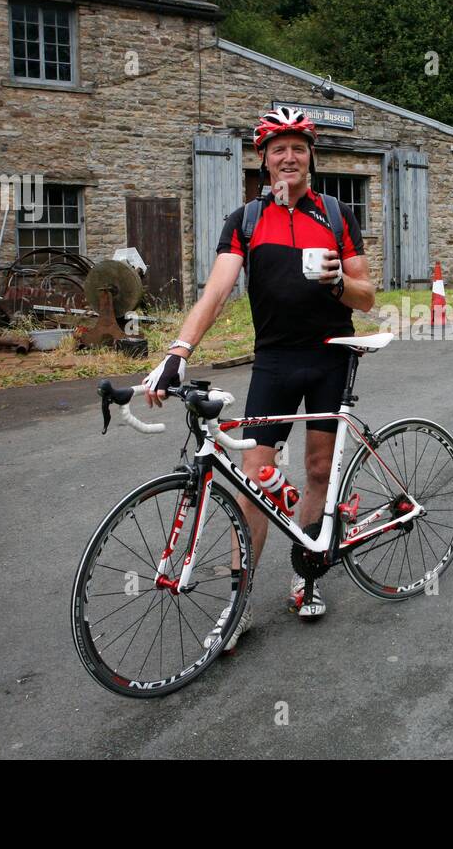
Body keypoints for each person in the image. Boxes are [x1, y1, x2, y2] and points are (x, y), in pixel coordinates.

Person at [140, 106, 374, 650]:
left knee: (318, 469)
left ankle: (307, 574)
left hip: (331, 354)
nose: (288, 157)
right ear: (264, 161)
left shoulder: (337, 215)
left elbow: (368, 297)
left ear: (311, 156)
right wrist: (178, 351)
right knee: (254, 482)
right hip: (272, 359)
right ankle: (236, 601)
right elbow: (216, 292)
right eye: (277, 149)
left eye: (297, 147)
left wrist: (339, 281)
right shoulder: (246, 220)